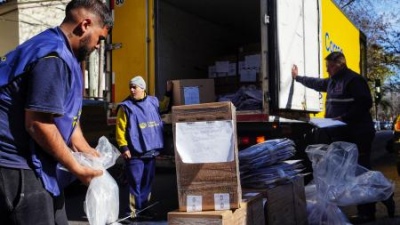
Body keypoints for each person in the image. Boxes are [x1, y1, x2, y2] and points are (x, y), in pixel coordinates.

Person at [0, 1, 113, 224]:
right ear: (85, 24)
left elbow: (66, 115)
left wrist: (85, 150)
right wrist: (77, 168)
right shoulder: (52, 56)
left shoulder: (65, 53)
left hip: (36, 163)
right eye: (99, 38)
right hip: (17, 166)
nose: (99, 46)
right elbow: (38, 124)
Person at [292, 51, 395, 224]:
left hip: (358, 134)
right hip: (342, 135)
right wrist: (298, 78)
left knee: (360, 173)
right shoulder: (332, 81)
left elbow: (365, 102)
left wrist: (345, 117)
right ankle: (383, 195)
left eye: (330, 66)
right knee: (349, 174)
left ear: (340, 64)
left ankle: (370, 210)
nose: (327, 70)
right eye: (326, 66)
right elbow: (316, 83)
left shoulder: (353, 80)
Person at [115, 76, 172, 221]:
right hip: (135, 153)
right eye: (131, 87)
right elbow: (120, 130)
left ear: (143, 88)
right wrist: (124, 147)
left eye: (135, 87)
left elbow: (164, 106)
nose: (132, 90)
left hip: (150, 152)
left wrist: (169, 93)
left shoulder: (152, 101)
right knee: (135, 183)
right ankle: (132, 213)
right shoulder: (126, 107)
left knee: (147, 182)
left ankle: (144, 209)